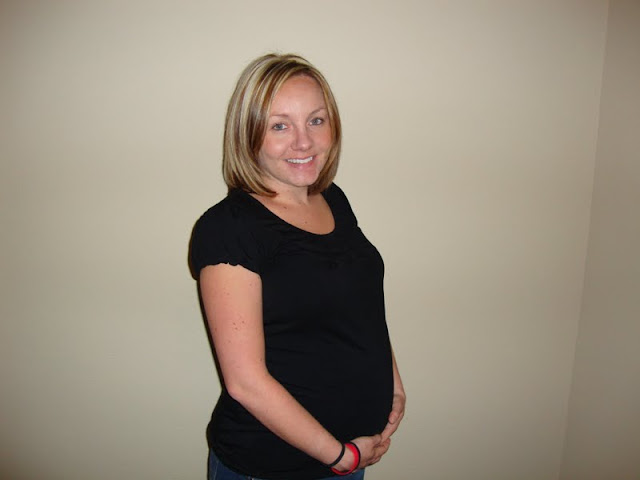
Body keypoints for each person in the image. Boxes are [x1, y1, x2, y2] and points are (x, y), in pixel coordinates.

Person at [190, 53, 405, 480]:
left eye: (316, 121)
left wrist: (393, 383)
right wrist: (341, 457)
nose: (304, 142)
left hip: (350, 452)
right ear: (249, 134)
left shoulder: (332, 200)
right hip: (276, 465)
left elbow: (358, 303)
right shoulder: (228, 229)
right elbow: (246, 382)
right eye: (280, 126)